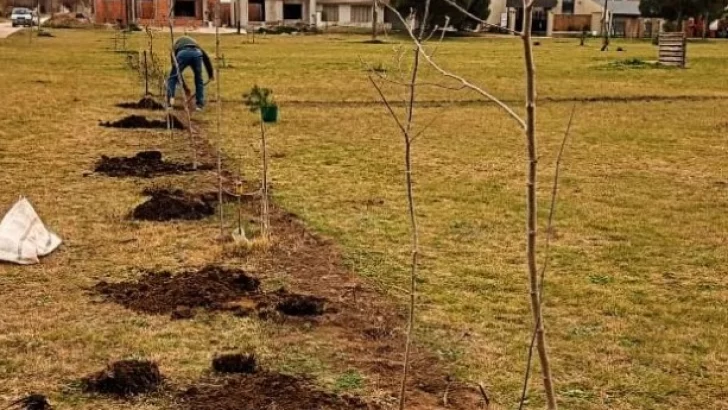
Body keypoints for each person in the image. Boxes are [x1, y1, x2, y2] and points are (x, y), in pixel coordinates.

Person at [167, 36, 214, 111]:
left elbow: (177, 74)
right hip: (196, 54)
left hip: (182, 54)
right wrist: (211, 74)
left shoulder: (174, 48)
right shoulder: (196, 44)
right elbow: (206, 58)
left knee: (172, 78)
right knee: (199, 79)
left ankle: (170, 103)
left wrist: (184, 87)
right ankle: (200, 105)